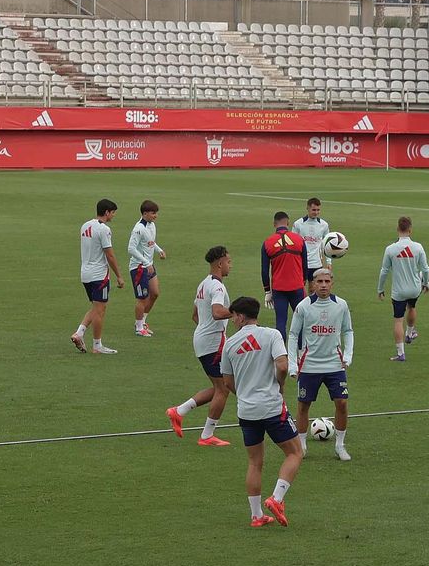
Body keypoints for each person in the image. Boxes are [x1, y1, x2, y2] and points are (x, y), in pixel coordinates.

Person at [220, 296, 303, 528]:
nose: (233, 319)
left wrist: (245, 393)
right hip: (272, 407)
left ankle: (256, 516)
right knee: (295, 453)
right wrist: (279, 383)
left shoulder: (230, 344)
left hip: (246, 410)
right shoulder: (272, 335)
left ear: (241, 316)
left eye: (233, 315)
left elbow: (227, 381)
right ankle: (276, 499)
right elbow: (283, 365)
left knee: (255, 462)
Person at [166, 245, 234, 447]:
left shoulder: (203, 284)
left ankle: (179, 411)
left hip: (203, 340)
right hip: (213, 343)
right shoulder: (218, 287)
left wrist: (206, 331)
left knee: (220, 386)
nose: (230, 266)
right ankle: (207, 435)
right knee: (224, 389)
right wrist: (240, 310)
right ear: (220, 263)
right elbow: (217, 312)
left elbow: (195, 315)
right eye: (229, 262)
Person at [288, 268, 355, 461]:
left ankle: (340, 446)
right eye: (319, 281)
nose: (323, 285)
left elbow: (348, 331)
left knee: (342, 403)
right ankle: (301, 446)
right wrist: (293, 364)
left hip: (335, 364)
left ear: (332, 283)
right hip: (309, 365)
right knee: (303, 405)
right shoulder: (303, 306)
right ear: (312, 284)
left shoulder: (341, 305)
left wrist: (348, 356)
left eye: (327, 281)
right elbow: (293, 335)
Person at [73, 198, 125, 354]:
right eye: (113, 213)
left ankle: (79, 333)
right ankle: (97, 345)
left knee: (96, 307)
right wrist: (119, 276)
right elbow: (110, 255)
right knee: (100, 310)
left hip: (85, 273)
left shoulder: (85, 225)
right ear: (107, 212)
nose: (113, 216)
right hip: (99, 275)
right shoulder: (104, 229)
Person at [377, 215, 429, 361]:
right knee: (412, 307)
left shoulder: (390, 249)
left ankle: (401, 353)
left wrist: (380, 289)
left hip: (399, 291)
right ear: (410, 230)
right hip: (414, 288)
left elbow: (384, 271)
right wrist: (425, 283)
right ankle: (410, 332)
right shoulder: (418, 247)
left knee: (398, 320)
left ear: (397, 229)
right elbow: (425, 269)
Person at [261, 211, 307, 337]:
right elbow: (305, 266)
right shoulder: (299, 239)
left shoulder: (267, 242)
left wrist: (267, 292)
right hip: (297, 287)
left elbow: (264, 271)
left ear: (274, 224)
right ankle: (301, 353)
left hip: (279, 289)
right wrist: (303, 283)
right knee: (301, 322)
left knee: (280, 322)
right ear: (288, 222)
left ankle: (281, 354)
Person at [127, 199, 166, 337]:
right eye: (153, 213)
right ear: (144, 213)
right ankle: (138, 328)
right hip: (139, 267)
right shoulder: (138, 229)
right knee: (142, 298)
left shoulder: (151, 225)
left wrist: (159, 250)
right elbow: (131, 249)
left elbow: (150, 242)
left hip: (148, 265)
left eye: (156, 213)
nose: (155, 216)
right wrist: (146, 262)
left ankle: (142, 321)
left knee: (154, 293)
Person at [292, 197, 331, 295]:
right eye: (314, 210)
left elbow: (327, 246)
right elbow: (293, 246)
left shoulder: (324, 225)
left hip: (317, 264)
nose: (316, 212)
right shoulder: (298, 224)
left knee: (314, 291)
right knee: (299, 291)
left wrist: (329, 262)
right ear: (308, 208)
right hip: (301, 264)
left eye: (318, 210)